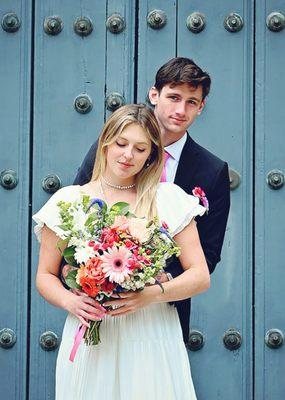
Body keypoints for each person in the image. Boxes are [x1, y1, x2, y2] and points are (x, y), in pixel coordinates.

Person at [33, 104, 210, 399]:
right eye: (121, 143)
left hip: (151, 332)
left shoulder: (167, 199)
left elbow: (200, 276)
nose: (128, 155)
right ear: (105, 142)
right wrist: (70, 301)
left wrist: (152, 294)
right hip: (93, 335)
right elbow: (45, 275)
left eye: (141, 149)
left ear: (152, 155)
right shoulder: (69, 201)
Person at [73, 57, 231, 343]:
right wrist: (77, 275)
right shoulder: (112, 148)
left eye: (192, 102)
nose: (181, 110)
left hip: (164, 312)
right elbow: (77, 217)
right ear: (154, 94)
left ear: (201, 107)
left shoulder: (212, 171)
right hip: (100, 307)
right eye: (173, 97)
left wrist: (156, 284)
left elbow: (208, 253)